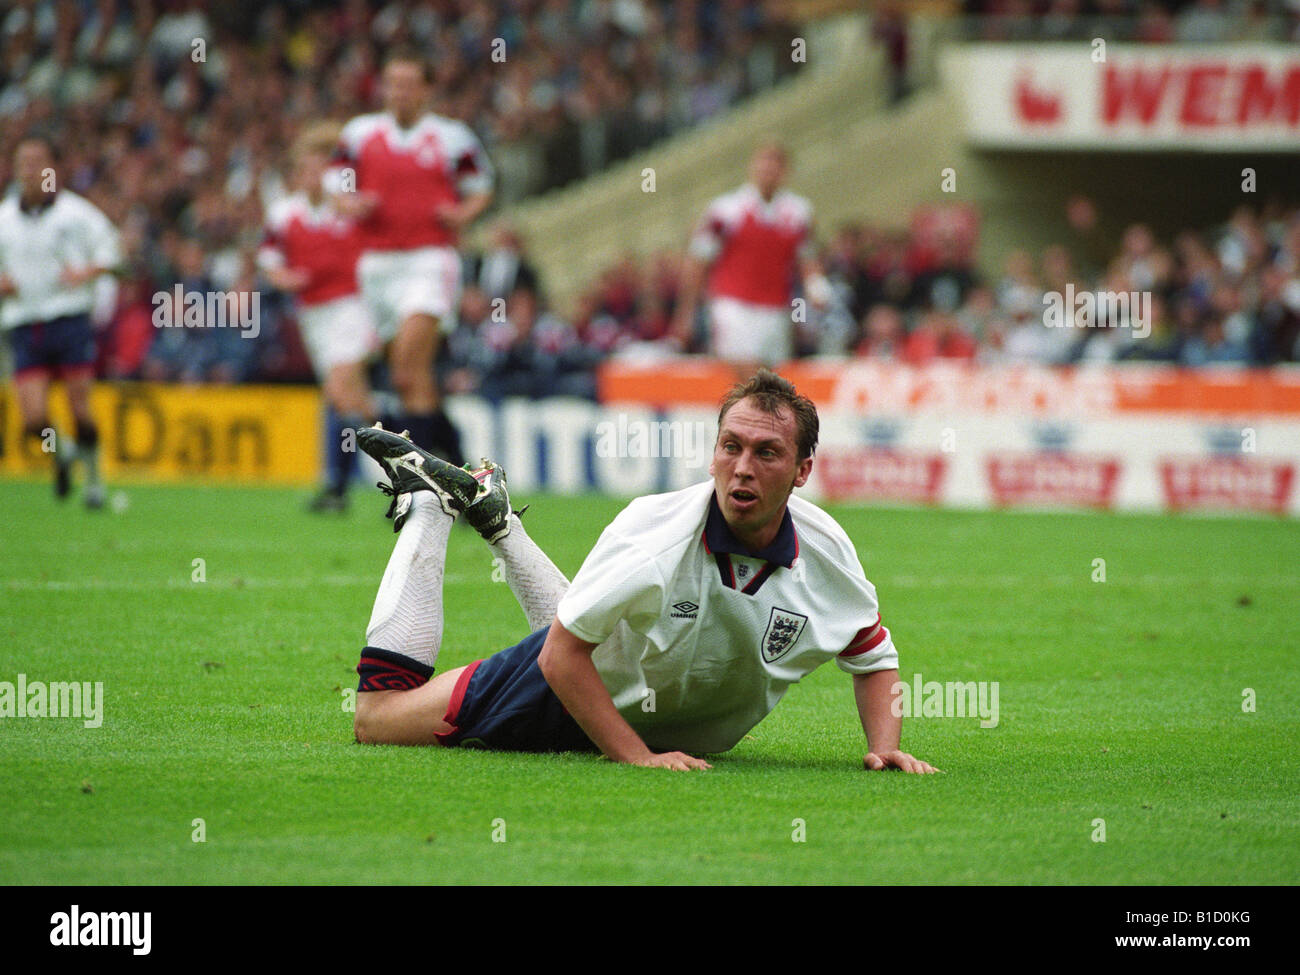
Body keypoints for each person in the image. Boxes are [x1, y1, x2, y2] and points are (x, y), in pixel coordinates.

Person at [348, 369, 938, 774]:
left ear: (803, 470)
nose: (741, 468)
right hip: (567, 692)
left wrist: (884, 749)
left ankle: (500, 526)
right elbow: (559, 656)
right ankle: (428, 505)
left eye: (766, 453)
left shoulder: (827, 550)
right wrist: (636, 757)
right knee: (377, 717)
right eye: (730, 447)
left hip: (627, 685)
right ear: (712, 453)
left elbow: (873, 655)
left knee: (593, 626)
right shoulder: (658, 533)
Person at [334, 47, 494, 466]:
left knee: (405, 367)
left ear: (426, 90)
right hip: (377, 265)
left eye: (408, 85)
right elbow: (337, 184)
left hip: (428, 259)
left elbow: (480, 187)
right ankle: (459, 471)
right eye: (392, 84)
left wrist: (460, 213)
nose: (399, 93)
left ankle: (419, 483)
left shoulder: (451, 136)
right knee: (413, 381)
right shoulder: (359, 133)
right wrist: (350, 203)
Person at [260, 122, 378, 512]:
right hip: (313, 315)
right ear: (296, 176)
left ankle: (337, 486)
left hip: (352, 306)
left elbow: (369, 211)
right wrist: (286, 278)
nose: (312, 177)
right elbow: (270, 262)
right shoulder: (283, 213)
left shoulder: (345, 205)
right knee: (358, 403)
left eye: (319, 169)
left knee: (338, 390)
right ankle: (418, 464)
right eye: (305, 170)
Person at [0, 134, 121, 508]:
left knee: (80, 410)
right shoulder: (5, 218)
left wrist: (86, 272)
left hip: (68, 318)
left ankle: (95, 483)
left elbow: (113, 254)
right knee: (34, 420)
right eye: (24, 161)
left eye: (38, 161)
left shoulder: (77, 215)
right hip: (24, 322)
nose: (30, 169)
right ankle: (63, 451)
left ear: (53, 168)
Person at [672, 140, 832, 371]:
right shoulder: (725, 210)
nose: (768, 169)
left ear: (785, 171)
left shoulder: (799, 212)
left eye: (775, 163)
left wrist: (816, 289)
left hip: (776, 307)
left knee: (770, 380)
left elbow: (808, 260)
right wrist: (685, 314)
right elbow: (698, 261)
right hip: (734, 305)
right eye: (763, 162)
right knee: (743, 373)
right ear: (752, 167)